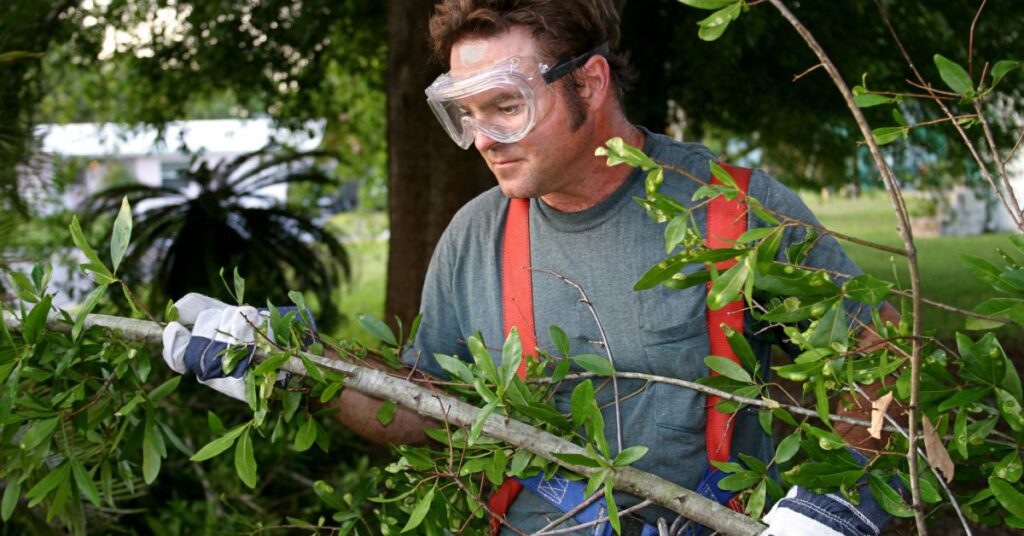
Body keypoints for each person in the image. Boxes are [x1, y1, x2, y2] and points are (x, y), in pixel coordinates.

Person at [164, 1, 901, 534]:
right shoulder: (474, 235)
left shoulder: (731, 211)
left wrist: (841, 498)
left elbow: (881, 352)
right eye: (464, 112)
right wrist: (293, 363)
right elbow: (431, 411)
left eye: (506, 107)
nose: (483, 138)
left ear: (589, 84)